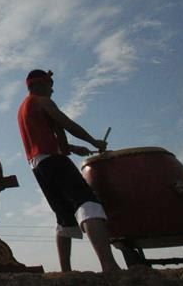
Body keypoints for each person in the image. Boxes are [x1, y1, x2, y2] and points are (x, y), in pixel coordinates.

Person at [17, 69, 119, 273]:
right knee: (88, 203)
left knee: (65, 217)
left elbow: (41, 137)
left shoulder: (23, 109)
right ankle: (109, 265)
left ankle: (65, 271)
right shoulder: (41, 101)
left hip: (38, 165)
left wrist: (72, 148)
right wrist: (93, 141)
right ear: (40, 85)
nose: (53, 90)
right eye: (50, 85)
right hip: (53, 160)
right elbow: (68, 124)